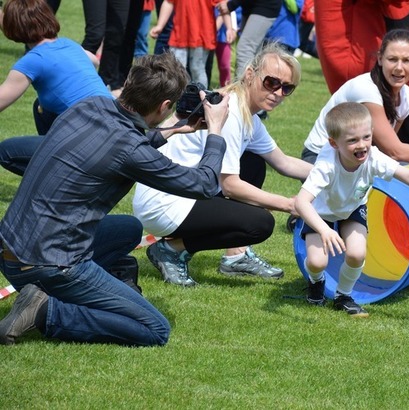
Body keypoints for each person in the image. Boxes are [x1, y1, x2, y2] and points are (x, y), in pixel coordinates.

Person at [0, 52, 231, 346]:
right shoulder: (131, 149)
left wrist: (173, 128)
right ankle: (45, 310)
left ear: (129, 82)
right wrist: (216, 130)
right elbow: (205, 184)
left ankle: (83, 288)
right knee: (154, 329)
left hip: (10, 247)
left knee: (129, 229)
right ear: (163, 105)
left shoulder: (89, 105)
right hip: (46, 264)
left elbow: (118, 140)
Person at [133, 42, 312, 286]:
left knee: (254, 162)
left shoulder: (248, 114)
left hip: (182, 192)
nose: (278, 93)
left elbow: (284, 163)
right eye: (272, 82)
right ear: (250, 74)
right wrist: (290, 204)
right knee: (260, 223)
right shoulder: (232, 112)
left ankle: (235, 256)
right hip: (164, 203)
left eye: (287, 88)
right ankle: (171, 250)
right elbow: (230, 186)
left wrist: (332, 174)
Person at [295, 102, 409, 316]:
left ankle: (343, 295)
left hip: (352, 208)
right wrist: (324, 230)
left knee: (357, 253)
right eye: (352, 140)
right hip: (321, 213)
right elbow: (301, 202)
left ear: (372, 133)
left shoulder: (374, 158)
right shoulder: (326, 165)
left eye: (366, 137)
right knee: (317, 262)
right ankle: (317, 281)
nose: (361, 145)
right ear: (334, 143)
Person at [302, 29, 409, 165]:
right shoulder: (366, 90)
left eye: (406, 60)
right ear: (380, 59)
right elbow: (395, 150)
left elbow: (386, 151)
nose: (399, 68)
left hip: (356, 159)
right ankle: (301, 208)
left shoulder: (407, 97)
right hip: (320, 158)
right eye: (392, 59)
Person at [0, 0, 112, 176]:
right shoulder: (68, 44)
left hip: (91, 140)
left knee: (5, 152)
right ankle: (65, 165)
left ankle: (64, 178)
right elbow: (95, 60)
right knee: (41, 108)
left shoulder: (33, 60)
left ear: (14, 25)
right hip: (115, 131)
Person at [150, 0, 233, 89]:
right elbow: (168, 2)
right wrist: (160, 25)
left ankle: (201, 98)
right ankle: (180, 99)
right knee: (176, 69)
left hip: (202, 35)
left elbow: (223, 6)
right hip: (180, 33)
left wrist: (229, 28)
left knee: (197, 69)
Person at [217, 0, 283, 77]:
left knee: (245, 48)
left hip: (264, 5)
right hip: (249, 6)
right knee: (254, 54)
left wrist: (232, 4)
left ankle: (242, 87)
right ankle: (254, 84)